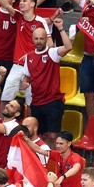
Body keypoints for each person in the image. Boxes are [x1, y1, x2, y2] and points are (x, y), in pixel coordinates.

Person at [20, 15, 73, 147]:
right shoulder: (29, 57)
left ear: (46, 39)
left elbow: (68, 47)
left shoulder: (52, 53)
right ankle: (43, 161)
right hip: (36, 101)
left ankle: (52, 161)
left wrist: (60, 28)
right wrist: (26, 82)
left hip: (52, 101)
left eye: (41, 39)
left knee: (53, 135)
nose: (39, 41)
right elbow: (27, 75)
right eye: (36, 38)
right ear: (32, 39)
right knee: (40, 135)